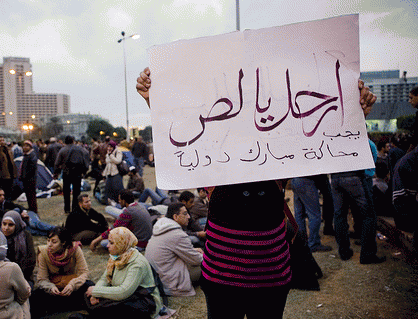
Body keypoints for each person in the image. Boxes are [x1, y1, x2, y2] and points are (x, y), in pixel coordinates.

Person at [136, 66, 377, 318]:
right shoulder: (212, 148)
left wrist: (353, 112)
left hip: (270, 278)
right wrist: (157, 99)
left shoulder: (283, 143)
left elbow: (324, 133)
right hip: (222, 278)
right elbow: (184, 132)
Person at [86, 227, 162, 319]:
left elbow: (124, 291)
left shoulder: (137, 263)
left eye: (111, 243)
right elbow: (105, 278)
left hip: (142, 299)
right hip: (125, 295)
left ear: (121, 244)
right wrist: (95, 294)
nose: (107, 246)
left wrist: (95, 291)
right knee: (87, 294)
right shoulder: (117, 256)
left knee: (116, 308)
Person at [31, 226, 94, 318]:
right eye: (48, 240)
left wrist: (72, 284)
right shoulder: (43, 253)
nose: (49, 244)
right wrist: (51, 287)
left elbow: (84, 273)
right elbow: (42, 279)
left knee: (90, 287)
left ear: (63, 242)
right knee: (35, 296)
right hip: (54, 289)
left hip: (72, 288)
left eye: (54, 242)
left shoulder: (75, 249)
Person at [145, 203, 204, 297]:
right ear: (175, 217)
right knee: (208, 266)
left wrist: (193, 250)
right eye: (185, 214)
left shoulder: (162, 227)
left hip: (159, 278)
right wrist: (204, 255)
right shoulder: (177, 234)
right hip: (171, 283)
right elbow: (196, 260)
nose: (188, 217)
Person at [290, 175, 333, 252]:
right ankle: (314, 244)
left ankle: (302, 241)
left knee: (299, 214)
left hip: (295, 180)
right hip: (306, 182)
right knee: (314, 215)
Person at [54, 135, 90, 213]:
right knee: (77, 192)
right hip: (77, 173)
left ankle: (67, 209)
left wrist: (56, 172)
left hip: (66, 173)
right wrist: (84, 170)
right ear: (73, 141)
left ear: (65, 141)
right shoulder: (80, 149)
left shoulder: (62, 150)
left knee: (66, 192)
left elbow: (57, 163)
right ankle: (75, 208)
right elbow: (87, 154)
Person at [1, 210, 36, 284]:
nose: (6, 228)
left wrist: (18, 277)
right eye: (4, 224)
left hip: (23, 276)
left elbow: (31, 260)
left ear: (17, 225)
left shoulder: (26, 236)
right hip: (2, 277)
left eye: (10, 225)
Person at [12, 140, 38, 212]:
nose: (25, 147)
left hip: (30, 179)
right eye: (24, 146)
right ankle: (31, 207)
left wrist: (25, 176)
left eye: (27, 146)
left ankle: (33, 209)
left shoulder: (31, 155)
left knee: (31, 195)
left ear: (30, 147)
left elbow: (31, 168)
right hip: (27, 179)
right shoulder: (26, 155)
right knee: (29, 195)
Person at [0, 135, 17, 201]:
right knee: (5, 190)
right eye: (0, 140)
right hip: (3, 174)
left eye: (3, 140)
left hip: (10, 172)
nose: (2, 142)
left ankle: (10, 202)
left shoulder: (8, 149)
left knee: (10, 190)